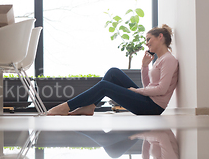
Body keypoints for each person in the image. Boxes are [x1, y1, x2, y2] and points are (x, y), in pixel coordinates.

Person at [47, 24, 178, 116]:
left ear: (160, 37)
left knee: (105, 86)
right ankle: (91, 106)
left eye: (149, 39)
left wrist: (136, 91)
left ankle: (66, 107)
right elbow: (149, 86)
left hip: (153, 107)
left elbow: (162, 89)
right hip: (149, 101)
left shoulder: (169, 60)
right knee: (113, 72)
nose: (147, 43)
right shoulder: (159, 60)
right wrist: (144, 66)